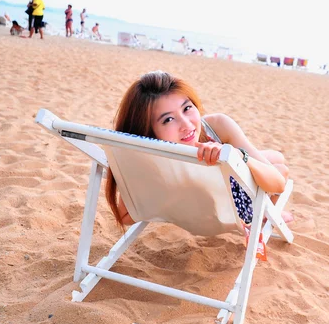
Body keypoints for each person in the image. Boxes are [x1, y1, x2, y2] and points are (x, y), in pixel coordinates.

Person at [105, 71, 294, 228]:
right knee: (281, 168)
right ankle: (264, 215)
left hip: (202, 202)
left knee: (275, 156)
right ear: (148, 130)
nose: (187, 125)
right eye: (168, 119)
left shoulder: (148, 157)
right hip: (235, 210)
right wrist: (235, 156)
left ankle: (249, 165)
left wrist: (235, 155)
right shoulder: (219, 125)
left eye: (187, 108)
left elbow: (126, 216)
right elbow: (278, 184)